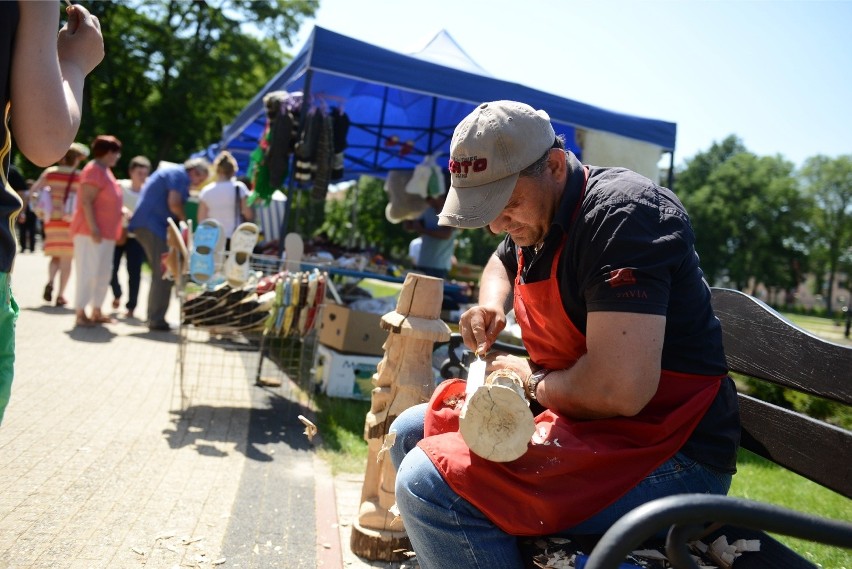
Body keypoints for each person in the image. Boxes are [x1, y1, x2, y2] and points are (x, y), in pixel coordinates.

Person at [389, 101, 740, 568]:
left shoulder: (621, 218)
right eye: (487, 211)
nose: (498, 224)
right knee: (410, 431)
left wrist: (529, 381)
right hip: (594, 426)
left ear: (554, 165)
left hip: (670, 449)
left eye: (506, 205)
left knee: (429, 485)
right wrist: (491, 304)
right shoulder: (538, 213)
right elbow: (501, 259)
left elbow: (620, 390)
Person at [1, 1, 104, 423]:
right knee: (62, 259)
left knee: (61, 260)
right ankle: (60, 292)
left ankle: (59, 292)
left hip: (60, 222)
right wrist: (74, 63)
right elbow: (46, 140)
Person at [129, 157, 211, 331]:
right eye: (200, 180)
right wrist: (185, 222)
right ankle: (156, 319)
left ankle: (155, 317)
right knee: (165, 271)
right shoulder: (179, 175)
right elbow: (174, 203)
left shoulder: (175, 173)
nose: (198, 185)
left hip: (149, 225)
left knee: (165, 271)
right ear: (194, 172)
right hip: (151, 225)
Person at [70, 135, 123, 327]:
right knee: (88, 271)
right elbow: (86, 201)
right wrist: (93, 228)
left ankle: (97, 310)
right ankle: (80, 312)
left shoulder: (106, 171)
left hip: (106, 233)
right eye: (116, 152)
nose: (118, 156)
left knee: (102, 273)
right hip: (90, 232)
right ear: (108, 152)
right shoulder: (93, 170)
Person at [31, 143, 90, 307]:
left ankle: (50, 281)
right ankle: (60, 295)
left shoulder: (50, 173)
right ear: (77, 159)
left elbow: (34, 192)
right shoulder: (81, 176)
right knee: (67, 260)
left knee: (54, 256)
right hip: (70, 222)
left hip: (52, 220)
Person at [110, 155, 151, 318]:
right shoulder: (120, 186)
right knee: (111, 268)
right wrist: (122, 211)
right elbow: (110, 202)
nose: (142, 177)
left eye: (145, 173)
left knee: (134, 273)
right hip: (118, 233)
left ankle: (131, 307)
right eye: (139, 173)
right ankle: (117, 293)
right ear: (131, 172)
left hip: (137, 236)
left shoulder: (149, 191)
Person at [197, 150, 254, 244]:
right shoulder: (239, 188)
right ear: (233, 170)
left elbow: (202, 220)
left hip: (213, 238)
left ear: (217, 170)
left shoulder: (206, 191)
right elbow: (248, 214)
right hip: (235, 237)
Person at [403, 191, 457, 279]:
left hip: (439, 267)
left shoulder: (452, 212)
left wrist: (423, 230)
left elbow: (446, 234)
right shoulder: (427, 210)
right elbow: (408, 226)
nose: (428, 200)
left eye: (430, 198)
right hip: (423, 263)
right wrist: (409, 212)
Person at [9, 164, 34, 253]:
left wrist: (22, 212)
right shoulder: (10, 170)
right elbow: (22, 192)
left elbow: (22, 192)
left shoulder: (10, 170)